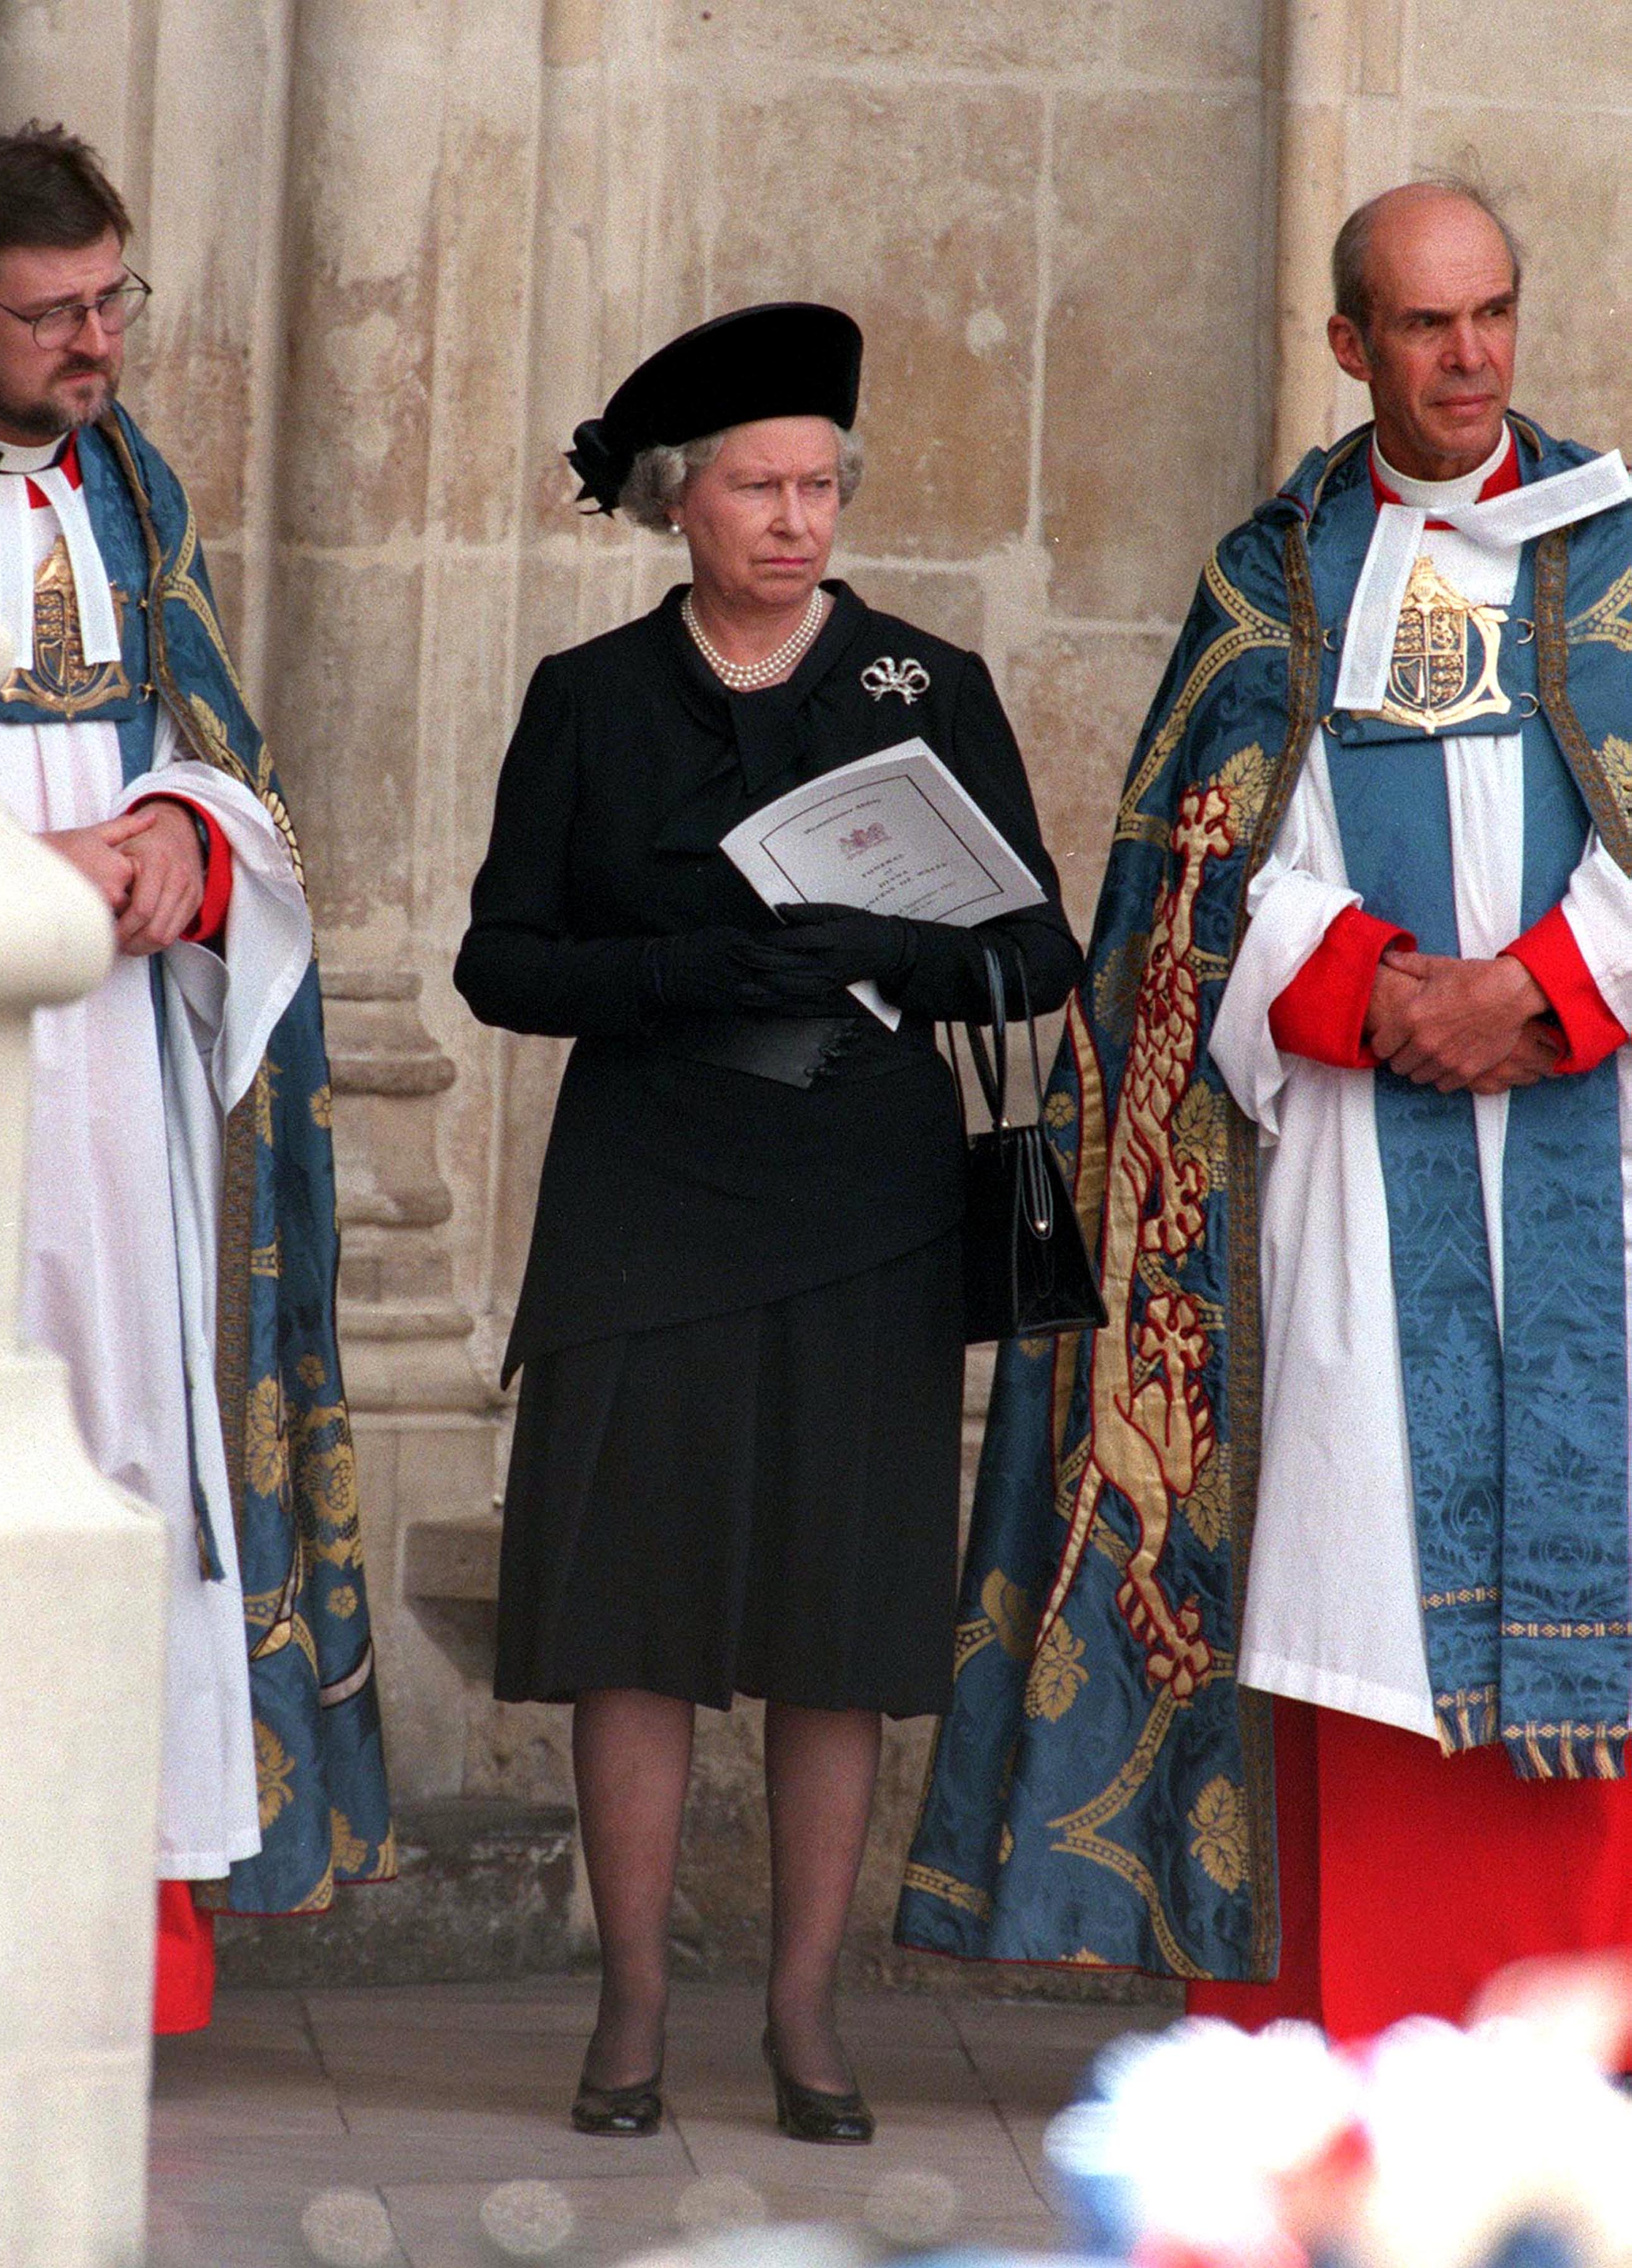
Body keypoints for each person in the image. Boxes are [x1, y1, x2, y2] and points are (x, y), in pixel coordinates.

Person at [896, 180, 1632, 2036]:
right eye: (1424, 326)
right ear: (1349, 345)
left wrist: (1545, 991)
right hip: (1356, 1193)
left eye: (1493, 317)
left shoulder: (1619, 561)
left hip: (1593, 1151)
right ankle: (1357, 2033)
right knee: (1352, 1579)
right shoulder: (1276, 581)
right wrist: (1381, 995)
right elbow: (1199, 884)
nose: (1469, 359)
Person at [455, 301, 1080, 2137]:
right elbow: (501, 957)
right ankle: (634, 2008)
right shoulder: (590, 698)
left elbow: (1037, 949)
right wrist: (673, 971)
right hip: (649, 1197)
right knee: (633, 1617)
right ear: (679, 501)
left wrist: (906, 947)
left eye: (821, 485)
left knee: (839, 1622)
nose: (797, 519)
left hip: (866, 1199)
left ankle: (807, 2014)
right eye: (758, 485)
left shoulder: (925, 684)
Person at [0, 123, 394, 2031]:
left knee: (130, 1445)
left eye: (111, 301)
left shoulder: (138, 492)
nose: (96, 344)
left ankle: (111, 1964)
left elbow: (224, 750)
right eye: (52, 311)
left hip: (122, 1087)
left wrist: (171, 841)